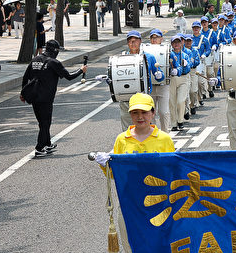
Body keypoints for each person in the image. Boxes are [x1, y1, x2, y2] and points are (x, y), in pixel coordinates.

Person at [93, 92, 174, 253]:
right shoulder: (122, 140)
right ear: (129, 114)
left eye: (144, 112)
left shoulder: (164, 139)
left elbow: (172, 172)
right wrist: (104, 164)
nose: (140, 117)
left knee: (158, 243)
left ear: (153, 113)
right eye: (135, 113)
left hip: (159, 203)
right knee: (130, 244)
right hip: (129, 202)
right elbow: (117, 175)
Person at [21, 40, 87, 157]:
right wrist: (81, 70)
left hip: (34, 96)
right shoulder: (54, 63)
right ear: (55, 51)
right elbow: (69, 77)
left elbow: (25, 77)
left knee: (42, 122)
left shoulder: (35, 60)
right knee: (45, 122)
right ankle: (39, 148)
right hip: (46, 98)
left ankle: (47, 143)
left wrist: (23, 93)